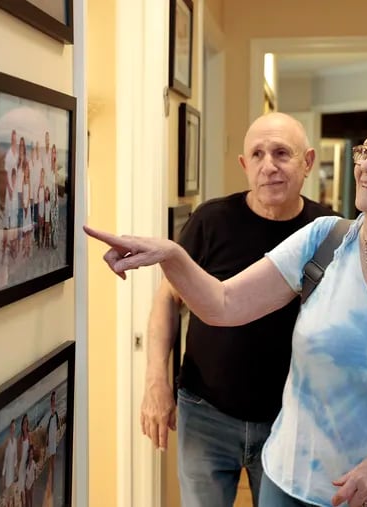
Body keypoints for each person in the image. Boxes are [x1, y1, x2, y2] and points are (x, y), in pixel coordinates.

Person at [85, 104, 367, 507]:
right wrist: (173, 256)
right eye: (366, 151)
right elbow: (223, 304)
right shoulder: (324, 240)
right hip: (292, 489)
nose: (364, 164)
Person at [139, 112, 339, 506]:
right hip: (206, 413)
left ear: (308, 162)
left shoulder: (328, 233)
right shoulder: (210, 222)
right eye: (258, 155)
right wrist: (155, 381)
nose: (269, 166)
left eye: (282, 153)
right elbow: (167, 298)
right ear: (245, 165)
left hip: (291, 419)